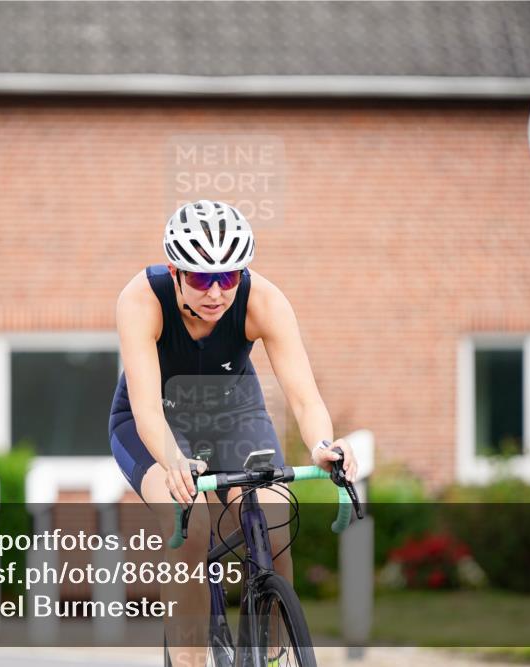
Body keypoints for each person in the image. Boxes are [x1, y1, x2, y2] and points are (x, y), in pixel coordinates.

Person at [108, 199, 358, 667]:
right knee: (191, 525)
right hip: (155, 424)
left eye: (230, 276)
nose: (218, 292)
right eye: (202, 278)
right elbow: (145, 409)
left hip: (233, 415)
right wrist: (174, 461)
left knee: (277, 514)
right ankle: (190, 660)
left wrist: (323, 444)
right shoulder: (140, 301)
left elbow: (305, 398)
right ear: (174, 271)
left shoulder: (264, 300)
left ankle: (272, 653)